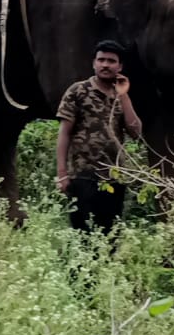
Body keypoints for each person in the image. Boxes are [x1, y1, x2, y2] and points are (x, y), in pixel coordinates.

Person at [55, 41, 143, 232]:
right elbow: (64, 133)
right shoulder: (78, 91)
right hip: (82, 176)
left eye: (111, 61)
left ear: (119, 67)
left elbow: (136, 132)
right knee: (82, 234)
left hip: (114, 177)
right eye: (101, 59)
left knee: (110, 236)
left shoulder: (121, 95)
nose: (105, 64)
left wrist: (124, 95)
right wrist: (62, 174)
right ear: (94, 63)